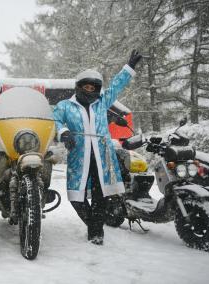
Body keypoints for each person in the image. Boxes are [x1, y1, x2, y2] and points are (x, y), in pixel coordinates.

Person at [53, 50, 142, 245]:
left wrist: (129, 68)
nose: (90, 90)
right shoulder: (65, 106)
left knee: (102, 196)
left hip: (103, 155)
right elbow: (56, 121)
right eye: (86, 86)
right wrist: (64, 133)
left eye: (94, 87)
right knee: (76, 196)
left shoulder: (102, 103)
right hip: (79, 156)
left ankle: (96, 233)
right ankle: (94, 224)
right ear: (79, 87)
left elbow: (117, 86)